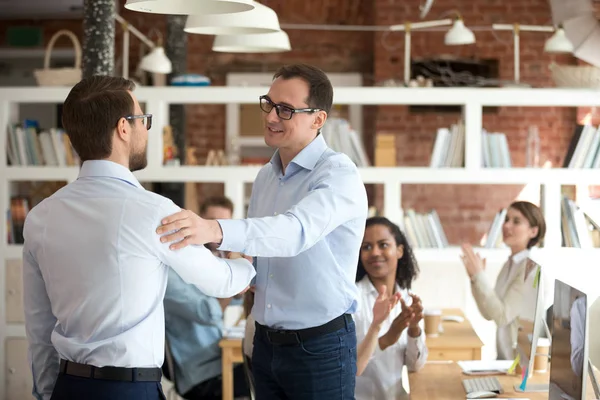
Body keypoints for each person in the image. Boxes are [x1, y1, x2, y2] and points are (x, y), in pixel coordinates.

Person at [22, 76, 255, 400]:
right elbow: (222, 283)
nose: (147, 129)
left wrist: (48, 393)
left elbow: (38, 327)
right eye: (144, 119)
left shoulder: (39, 218)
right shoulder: (153, 211)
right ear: (123, 128)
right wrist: (246, 261)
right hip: (129, 389)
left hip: (68, 386)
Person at [156, 63, 369, 399]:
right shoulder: (265, 177)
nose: (271, 117)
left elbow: (294, 232)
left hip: (320, 347)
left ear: (318, 119)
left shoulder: (338, 175)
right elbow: (259, 254)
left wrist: (213, 228)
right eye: (269, 104)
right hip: (266, 343)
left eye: (286, 110)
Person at [163, 196, 249, 400]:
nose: (216, 231)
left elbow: (235, 300)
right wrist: (235, 279)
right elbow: (208, 311)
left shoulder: (209, 262)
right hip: (200, 373)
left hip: (219, 361)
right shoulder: (171, 270)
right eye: (212, 223)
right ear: (200, 221)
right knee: (267, 377)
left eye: (222, 225)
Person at [461, 200, 546, 360]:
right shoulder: (510, 264)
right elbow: (489, 313)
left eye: (516, 221)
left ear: (533, 232)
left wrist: (480, 276)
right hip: (503, 360)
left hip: (518, 365)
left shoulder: (531, 268)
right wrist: (475, 279)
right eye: (506, 219)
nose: (507, 226)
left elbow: (501, 317)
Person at [354, 217, 428, 400]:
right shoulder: (352, 299)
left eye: (383, 245)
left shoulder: (407, 299)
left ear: (400, 250)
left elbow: (415, 366)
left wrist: (413, 329)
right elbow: (351, 367)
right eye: (367, 247)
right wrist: (388, 337)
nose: (375, 253)